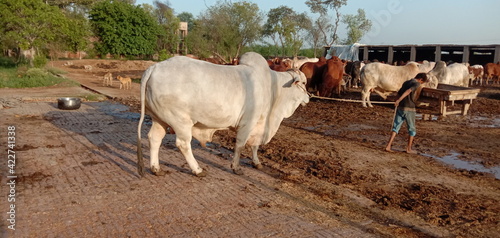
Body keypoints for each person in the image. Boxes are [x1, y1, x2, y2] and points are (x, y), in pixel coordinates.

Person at [385, 73, 428, 154]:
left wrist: (397, 100)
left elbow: (399, 93)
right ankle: (409, 149)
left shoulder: (406, 82)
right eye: (422, 82)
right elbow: (408, 91)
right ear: (421, 79)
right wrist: (399, 100)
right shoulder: (416, 83)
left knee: (396, 127)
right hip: (410, 108)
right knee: (412, 129)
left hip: (401, 107)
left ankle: (388, 146)